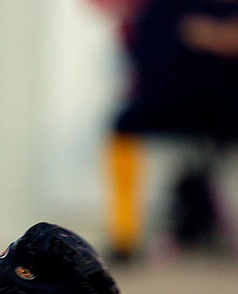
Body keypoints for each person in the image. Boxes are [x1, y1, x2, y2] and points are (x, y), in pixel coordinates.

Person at [94, 0, 238, 261]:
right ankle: (124, 235)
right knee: (124, 125)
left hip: (228, 97)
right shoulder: (164, 7)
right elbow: (144, 54)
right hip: (174, 93)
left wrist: (215, 38)